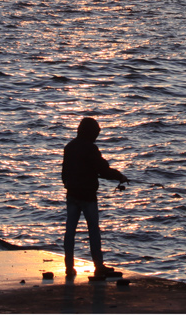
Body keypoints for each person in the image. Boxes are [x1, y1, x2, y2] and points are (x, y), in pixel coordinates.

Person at [61, 117, 128, 277]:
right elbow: (103, 170)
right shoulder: (91, 149)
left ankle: (69, 268)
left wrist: (69, 185)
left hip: (72, 194)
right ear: (91, 133)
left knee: (70, 231)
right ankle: (99, 266)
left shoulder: (69, 147)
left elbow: (64, 173)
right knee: (93, 231)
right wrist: (120, 176)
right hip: (88, 196)